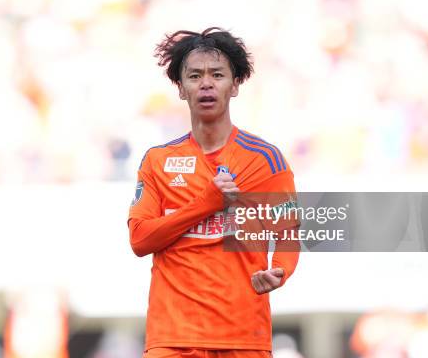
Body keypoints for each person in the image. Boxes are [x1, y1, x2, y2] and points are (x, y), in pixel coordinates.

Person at [128, 27, 300, 358]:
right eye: (195, 76)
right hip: (173, 339)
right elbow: (140, 239)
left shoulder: (265, 160)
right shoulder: (160, 161)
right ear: (181, 88)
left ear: (234, 85)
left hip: (243, 337)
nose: (206, 83)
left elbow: (287, 231)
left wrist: (280, 269)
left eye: (217, 74)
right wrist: (206, 203)